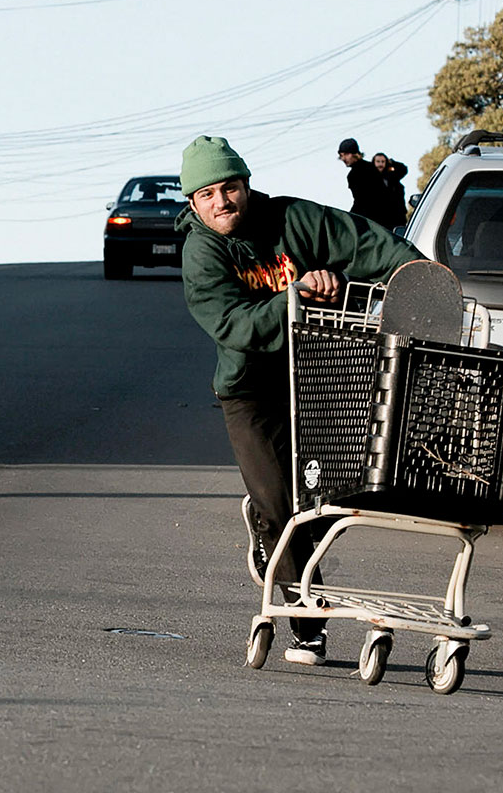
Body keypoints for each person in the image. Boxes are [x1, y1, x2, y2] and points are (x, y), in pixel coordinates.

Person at [175, 135, 423, 666]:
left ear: (246, 185)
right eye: (208, 194)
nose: (223, 201)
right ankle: (305, 623)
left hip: (314, 376)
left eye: (231, 187)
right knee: (277, 505)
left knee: (321, 501)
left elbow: (362, 242)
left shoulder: (291, 218)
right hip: (249, 390)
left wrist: (418, 279)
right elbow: (233, 324)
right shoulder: (201, 252)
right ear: (193, 203)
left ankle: (277, 541)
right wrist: (295, 296)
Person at [338, 137, 394, 228]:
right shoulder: (371, 167)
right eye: (341, 155)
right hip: (385, 219)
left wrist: (350, 219)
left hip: (374, 221)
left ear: (355, 154)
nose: (344, 158)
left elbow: (362, 201)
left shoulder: (355, 174)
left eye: (347, 154)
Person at [373, 152, 409, 228]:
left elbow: (403, 169)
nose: (380, 164)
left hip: (397, 217)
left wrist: (391, 162)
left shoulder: (392, 176)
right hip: (380, 218)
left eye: (383, 162)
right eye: (378, 162)